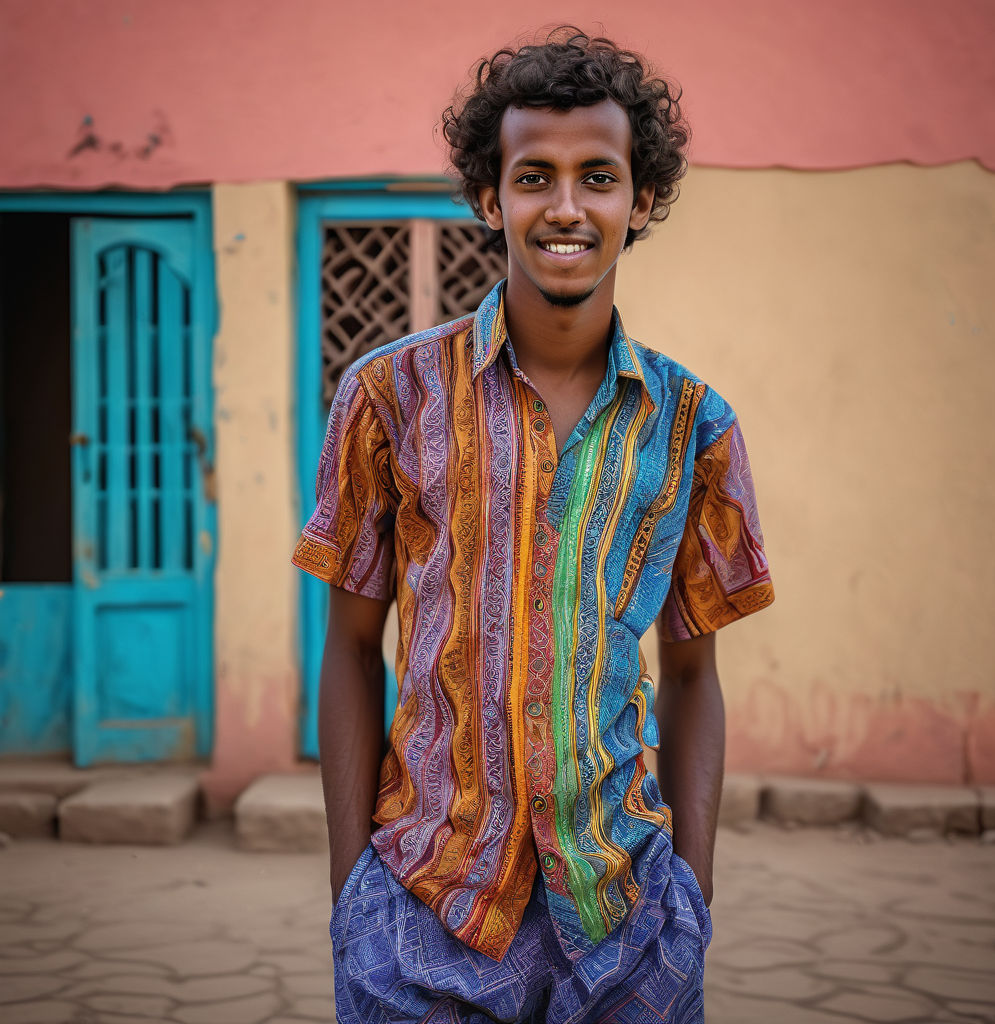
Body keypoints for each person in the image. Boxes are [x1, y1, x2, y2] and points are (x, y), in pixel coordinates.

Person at [292, 27, 774, 1024]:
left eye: (598, 177)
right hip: (420, 912)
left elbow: (693, 675)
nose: (565, 207)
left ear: (641, 200)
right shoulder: (387, 397)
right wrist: (351, 897)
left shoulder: (694, 427)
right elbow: (350, 648)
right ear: (488, 197)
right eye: (532, 177)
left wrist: (693, 898)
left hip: (629, 924)